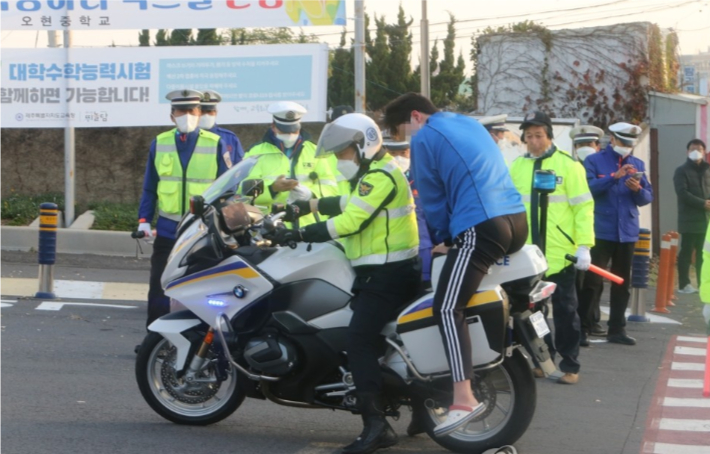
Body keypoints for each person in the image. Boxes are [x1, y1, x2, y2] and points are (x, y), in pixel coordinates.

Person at [273, 113, 421, 454]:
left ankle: (375, 425)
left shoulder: (381, 174)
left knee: (359, 341)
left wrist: (297, 233)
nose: (341, 161)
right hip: (381, 272)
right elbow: (347, 203)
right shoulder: (371, 174)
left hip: (388, 275)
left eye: (343, 153)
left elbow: (352, 219)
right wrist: (305, 206)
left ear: (362, 145)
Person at [383, 93, 528, 437]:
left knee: (447, 308)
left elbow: (432, 197)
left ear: (416, 116)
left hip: (482, 224)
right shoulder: (467, 122)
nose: (407, 138)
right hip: (515, 220)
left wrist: (443, 237)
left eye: (404, 129)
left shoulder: (427, 136)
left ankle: (463, 398)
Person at [136, 89, 229, 345]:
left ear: (200, 113)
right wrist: (144, 220)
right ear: (171, 115)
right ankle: (154, 341)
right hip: (167, 231)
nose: (187, 115)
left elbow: (227, 189)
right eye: (182, 111)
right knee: (159, 288)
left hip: (201, 232)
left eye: (193, 110)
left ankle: (200, 341)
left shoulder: (216, 143)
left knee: (201, 290)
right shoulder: (160, 142)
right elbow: (150, 186)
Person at [509, 111, 595, 384]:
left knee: (566, 311)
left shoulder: (569, 166)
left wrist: (584, 246)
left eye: (539, 135)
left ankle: (571, 364)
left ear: (549, 136)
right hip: (528, 256)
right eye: (529, 136)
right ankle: (544, 359)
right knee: (533, 313)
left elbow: (584, 208)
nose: (533, 141)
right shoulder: (517, 167)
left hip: (561, 255)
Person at [580, 122, 653, 346]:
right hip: (601, 229)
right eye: (623, 142)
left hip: (627, 231)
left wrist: (637, 189)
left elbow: (647, 197)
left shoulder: (637, 163)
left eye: (630, 144)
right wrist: (614, 176)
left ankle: (617, 329)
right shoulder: (594, 160)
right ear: (612, 140)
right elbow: (588, 189)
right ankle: (583, 327)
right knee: (593, 282)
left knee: (622, 282)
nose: (626, 147)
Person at [243, 101, 338, 226]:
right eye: (284, 131)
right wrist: (273, 189)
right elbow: (244, 193)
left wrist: (311, 194)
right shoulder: (255, 153)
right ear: (273, 126)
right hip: (269, 226)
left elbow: (332, 188)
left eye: (293, 131)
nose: (289, 135)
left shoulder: (315, 151)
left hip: (309, 226)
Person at [381, 131, 434, 290]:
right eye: (393, 153)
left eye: (403, 153)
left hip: (424, 250)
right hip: (393, 252)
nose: (398, 158)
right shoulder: (381, 178)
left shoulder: (423, 177)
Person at [568, 124, 606, 346]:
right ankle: (580, 326)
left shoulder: (604, 167)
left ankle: (592, 320)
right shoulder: (570, 167)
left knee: (595, 282)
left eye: (589, 144)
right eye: (580, 145)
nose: (585, 148)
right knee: (577, 283)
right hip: (575, 235)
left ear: (597, 145)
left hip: (599, 230)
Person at [673, 139, 710, 294]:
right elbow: (682, 193)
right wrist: (703, 203)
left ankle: (703, 285)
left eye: (699, 149)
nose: (696, 151)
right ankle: (684, 284)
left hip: (706, 219)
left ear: (704, 151)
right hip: (689, 218)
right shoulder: (681, 171)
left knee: (704, 254)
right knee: (687, 252)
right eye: (693, 149)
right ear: (687, 152)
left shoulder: (708, 169)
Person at [199, 89, 245, 168]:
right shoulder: (188, 137)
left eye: (210, 111)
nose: (206, 115)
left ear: (216, 112)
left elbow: (239, 169)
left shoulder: (230, 138)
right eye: (202, 111)